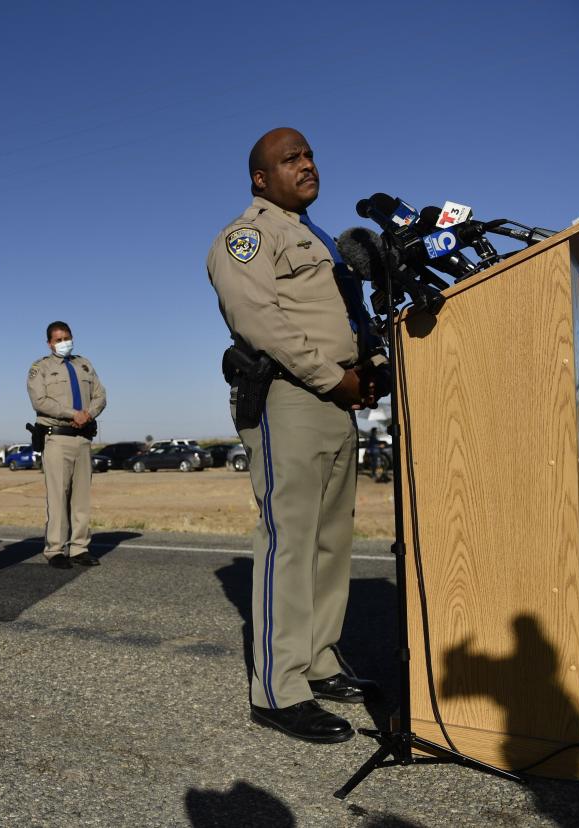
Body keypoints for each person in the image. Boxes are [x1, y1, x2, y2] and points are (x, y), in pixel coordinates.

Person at [206, 128, 384, 743]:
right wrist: (332, 376)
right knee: (290, 542)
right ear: (261, 177)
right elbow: (259, 321)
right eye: (291, 158)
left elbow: (341, 318)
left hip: (336, 400)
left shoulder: (321, 240)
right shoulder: (247, 236)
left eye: (309, 155)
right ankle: (279, 690)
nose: (307, 164)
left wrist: (368, 371)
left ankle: (318, 661)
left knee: (332, 540)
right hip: (291, 399)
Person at [27, 321, 107, 568]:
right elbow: (40, 401)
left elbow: (100, 395)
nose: (64, 343)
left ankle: (79, 548)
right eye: (58, 339)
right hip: (57, 438)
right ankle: (55, 550)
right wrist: (72, 413)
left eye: (67, 337)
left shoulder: (84, 364)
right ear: (49, 343)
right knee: (58, 496)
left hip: (82, 438)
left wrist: (88, 414)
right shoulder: (40, 368)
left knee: (81, 497)